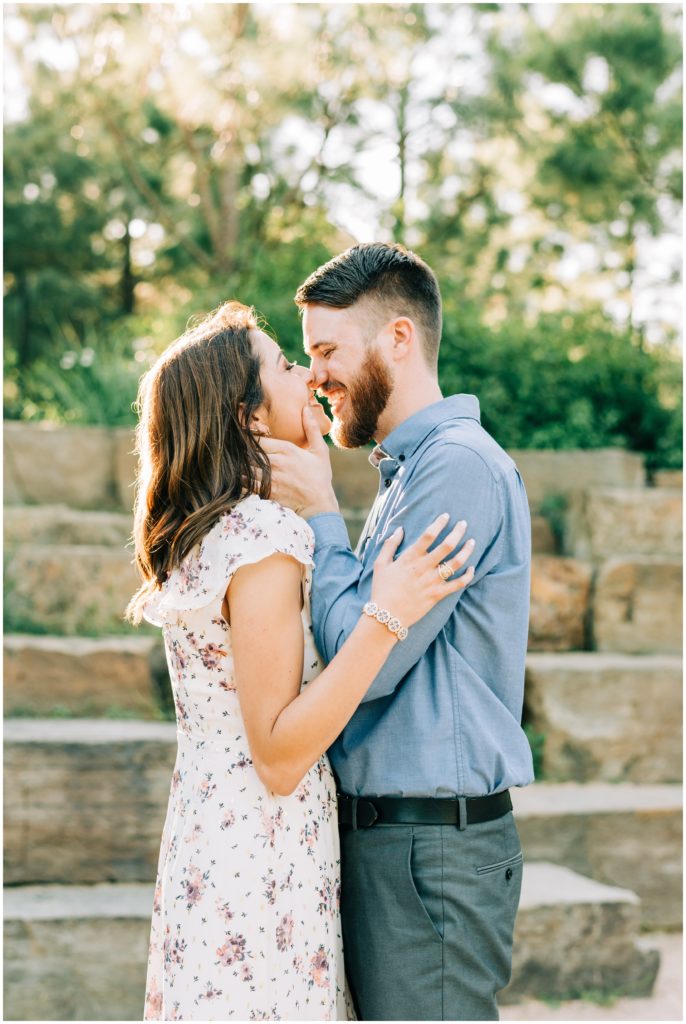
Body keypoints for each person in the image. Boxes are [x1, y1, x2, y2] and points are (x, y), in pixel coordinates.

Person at [126, 300, 475, 1021]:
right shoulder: (263, 540)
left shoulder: (216, 530)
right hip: (262, 852)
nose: (308, 375)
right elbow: (280, 755)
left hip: (211, 836)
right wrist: (387, 615)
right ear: (250, 416)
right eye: (285, 365)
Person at [261, 242, 535, 1021]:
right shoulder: (408, 473)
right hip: (402, 846)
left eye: (326, 350)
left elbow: (368, 663)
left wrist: (320, 511)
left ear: (399, 339)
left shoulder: (457, 469)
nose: (314, 376)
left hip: (429, 854)